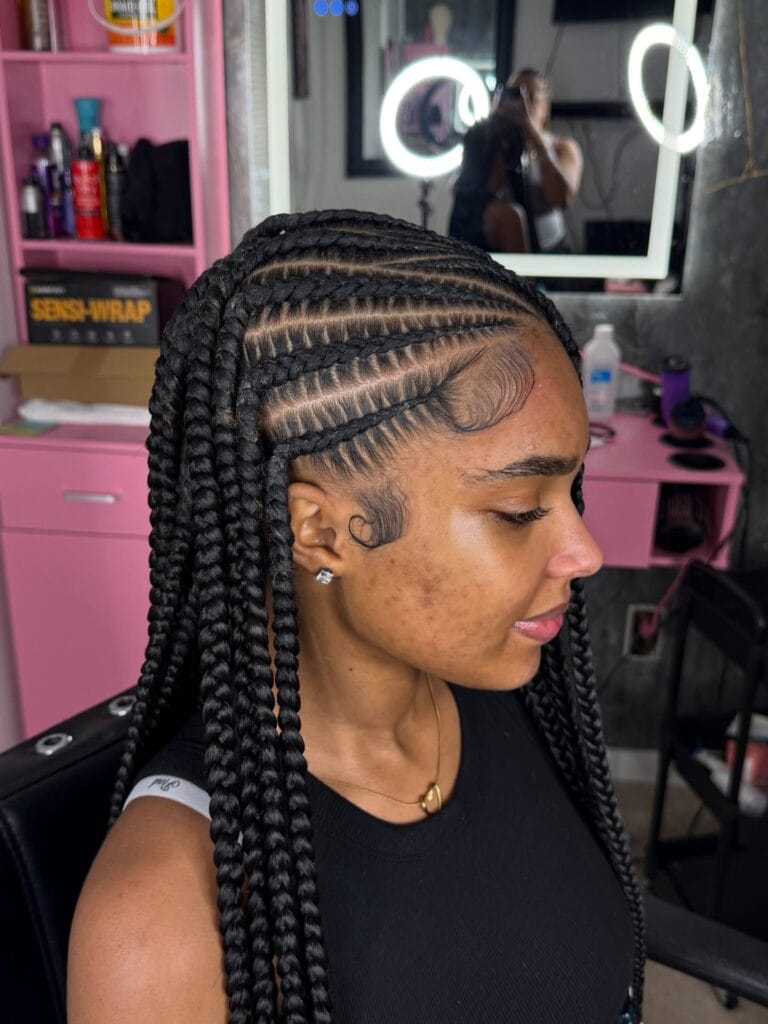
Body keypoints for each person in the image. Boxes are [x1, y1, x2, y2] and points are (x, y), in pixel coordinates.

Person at [67, 210, 644, 1024]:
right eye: (519, 509)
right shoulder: (160, 925)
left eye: (572, 490)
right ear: (319, 531)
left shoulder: (510, 693)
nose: (584, 553)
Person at [449, 69, 583, 254]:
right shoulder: (494, 147)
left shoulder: (562, 147)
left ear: (545, 107)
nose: (520, 105)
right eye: (514, 95)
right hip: (504, 248)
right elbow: (460, 189)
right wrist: (492, 122)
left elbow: (561, 198)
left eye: (530, 99)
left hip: (551, 252)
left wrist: (533, 134)